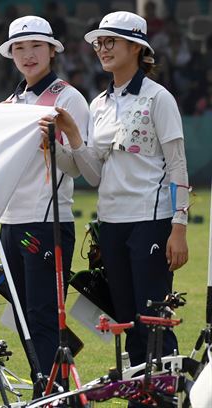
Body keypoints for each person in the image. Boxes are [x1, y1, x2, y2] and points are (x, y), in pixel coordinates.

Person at [39, 11, 189, 372]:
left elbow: (178, 166)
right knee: (125, 319)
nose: (102, 49)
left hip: (150, 222)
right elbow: (91, 174)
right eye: (98, 43)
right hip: (111, 224)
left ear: (136, 47)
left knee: (153, 318)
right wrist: (64, 142)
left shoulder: (158, 98)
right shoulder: (99, 104)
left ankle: (163, 393)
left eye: (111, 41)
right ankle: (141, 394)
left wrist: (179, 227)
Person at [0, 15, 91, 388]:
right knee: (21, 315)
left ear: (52, 50)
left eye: (36, 46)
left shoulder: (68, 98)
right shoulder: (9, 103)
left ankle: (54, 392)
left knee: (44, 315)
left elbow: (78, 165)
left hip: (47, 219)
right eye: (19, 48)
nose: (28, 54)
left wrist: (52, 144)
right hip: (10, 222)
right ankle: (45, 384)